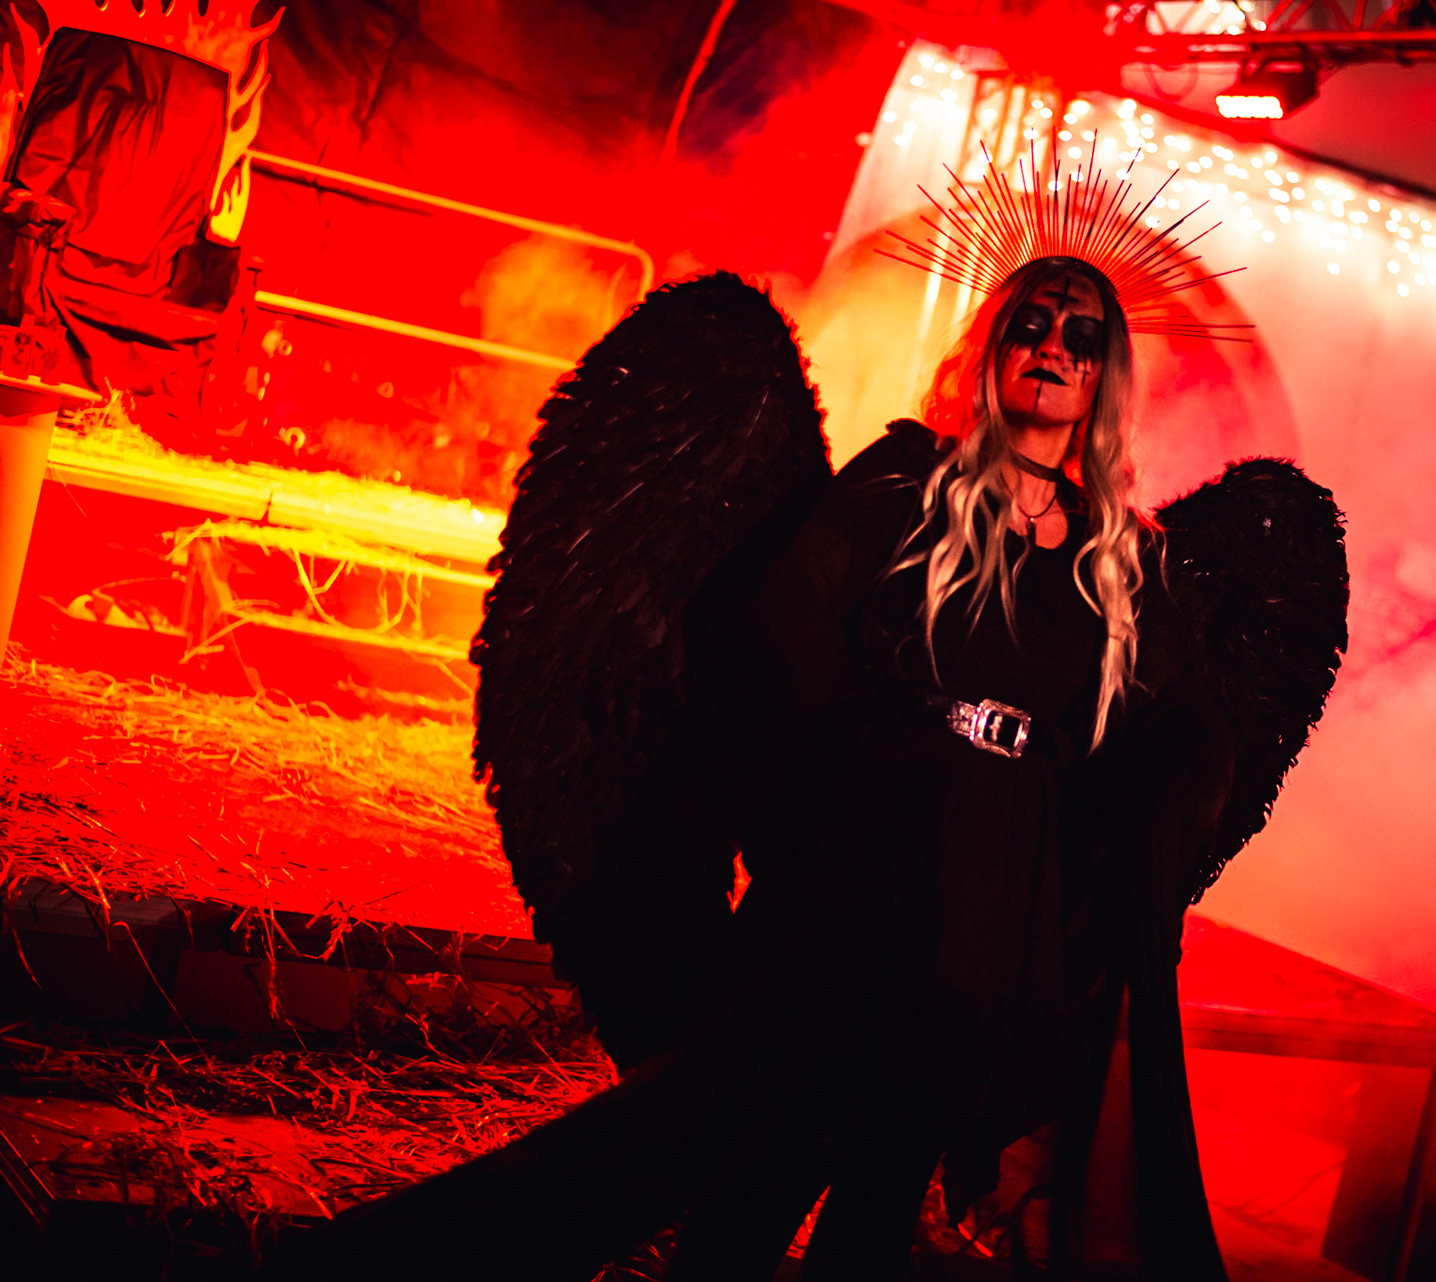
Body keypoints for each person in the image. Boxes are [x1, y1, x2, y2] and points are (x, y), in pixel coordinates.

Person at [271, 154, 1345, 1282]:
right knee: (746, 1182)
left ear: (1105, 381)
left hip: (976, 940)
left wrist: (1165, 799)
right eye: (1030, 325)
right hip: (850, 897)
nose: (1052, 349)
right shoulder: (906, 483)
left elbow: (1187, 723)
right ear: (992, 348)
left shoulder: (1120, 565)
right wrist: (856, 758)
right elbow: (784, 617)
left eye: (1081, 339)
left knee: (878, 1206)